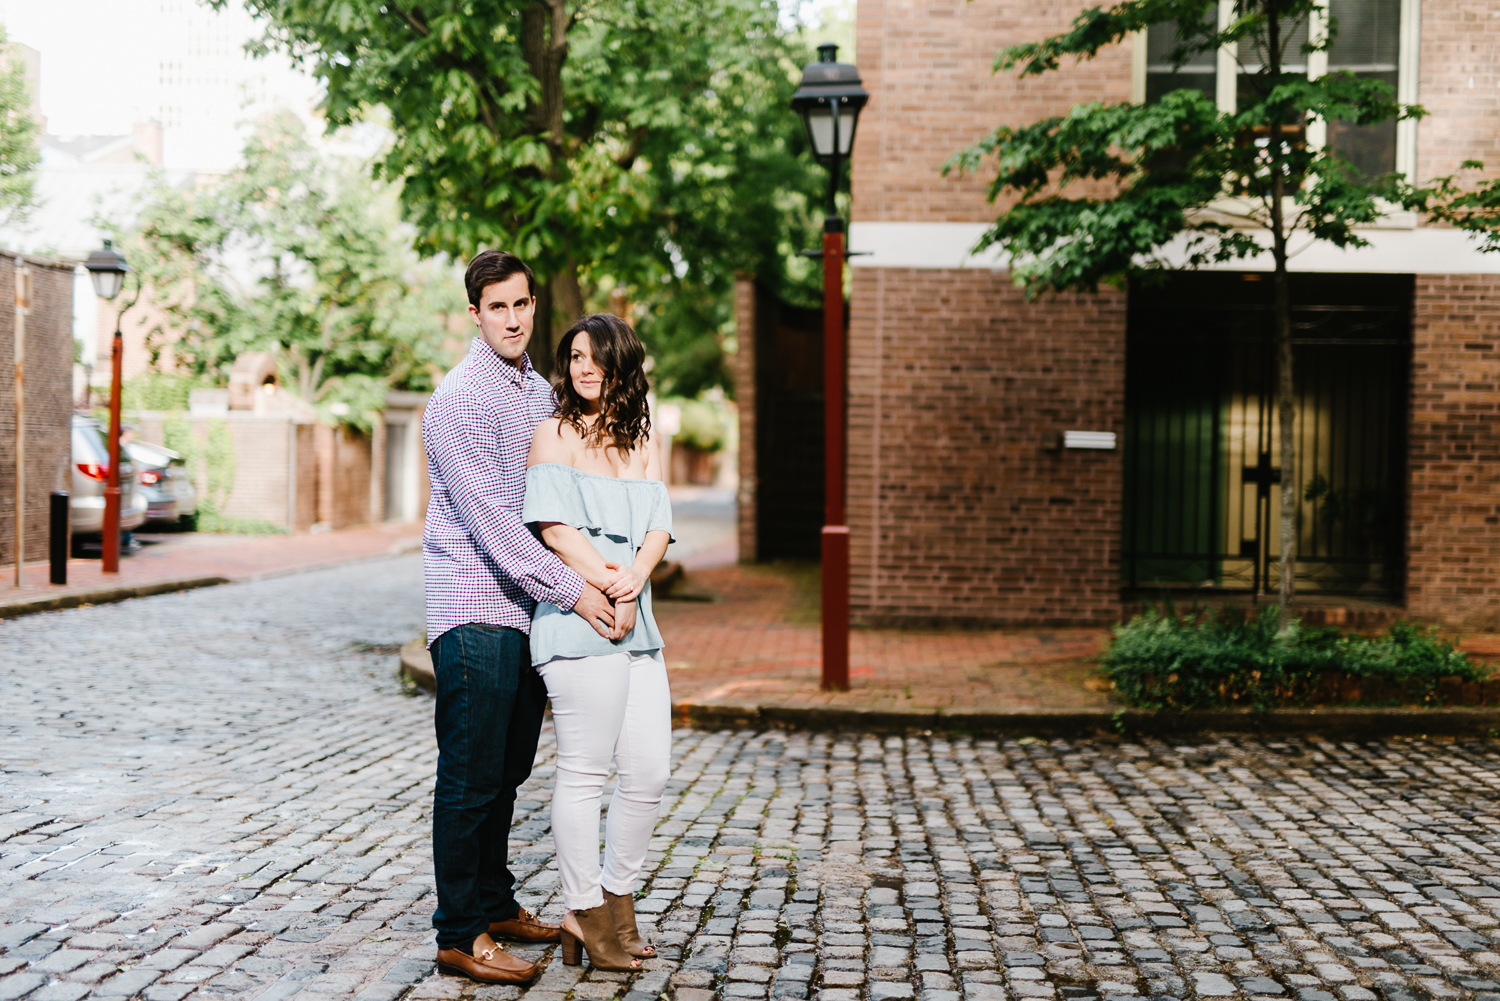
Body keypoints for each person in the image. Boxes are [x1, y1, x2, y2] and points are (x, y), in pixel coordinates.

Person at [421, 252, 627, 985]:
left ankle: (496, 902)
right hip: (473, 607)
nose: (511, 318)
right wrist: (575, 591)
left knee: (507, 770)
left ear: (534, 305)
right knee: (471, 774)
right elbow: (496, 526)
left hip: (524, 612)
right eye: (496, 307)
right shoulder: (458, 400)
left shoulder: (537, 389)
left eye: (521, 304)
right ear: (474, 313)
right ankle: (458, 932)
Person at [523, 312, 673, 972]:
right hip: (578, 616)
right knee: (585, 770)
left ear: (621, 364)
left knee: (648, 769)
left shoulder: (642, 438)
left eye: (596, 356)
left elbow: (658, 529)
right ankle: (582, 911)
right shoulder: (552, 433)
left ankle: (617, 897)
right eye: (575, 356)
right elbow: (555, 530)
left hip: (633, 615)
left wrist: (636, 579)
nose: (584, 367)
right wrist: (610, 582)